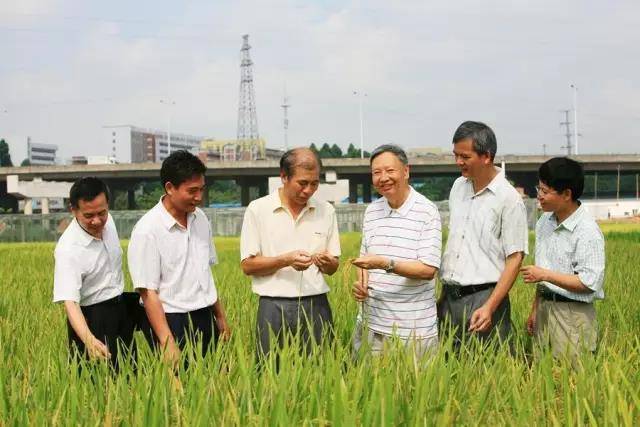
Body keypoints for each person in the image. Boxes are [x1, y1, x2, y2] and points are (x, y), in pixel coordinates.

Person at [128, 150, 230, 366]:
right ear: (169, 188)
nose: (199, 197)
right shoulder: (148, 230)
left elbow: (205, 273)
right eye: (192, 191)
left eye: (201, 189)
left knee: (214, 385)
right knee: (177, 391)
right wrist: (167, 342)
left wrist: (219, 317)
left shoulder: (200, 219)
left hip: (203, 315)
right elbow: (148, 292)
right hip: (170, 319)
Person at [240, 147, 341, 359]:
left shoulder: (326, 211)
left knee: (321, 372)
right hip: (272, 306)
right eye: (302, 183)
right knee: (269, 374)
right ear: (284, 177)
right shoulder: (258, 210)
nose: (309, 190)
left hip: (316, 305)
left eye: (314, 183)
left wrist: (327, 262)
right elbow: (248, 265)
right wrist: (285, 260)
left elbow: (333, 267)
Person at [439, 121, 528, 348]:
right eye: (455, 155)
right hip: (449, 298)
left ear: (486, 156)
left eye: (465, 157)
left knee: (486, 373)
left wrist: (490, 307)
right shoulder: (458, 186)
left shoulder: (508, 199)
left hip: (484, 299)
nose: (458, 162)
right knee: (448, 372)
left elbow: (515, 258)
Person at [351, 144, 442, 358]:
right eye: (376, 172)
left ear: (406, 171)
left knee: (416, 391)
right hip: (370, 326)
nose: (383, 178)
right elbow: (365, 261)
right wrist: (361, 284)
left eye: (390, 170)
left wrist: (386, 264)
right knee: (368, 389)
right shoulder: (372, 211)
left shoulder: (427, 211)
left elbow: (428, 270)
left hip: (413, 332)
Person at [522, 157, 604, 361]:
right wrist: (535, 310)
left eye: (545, 191)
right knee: (542, 375)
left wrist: (544, 275)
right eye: (538, 188)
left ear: (567, 194)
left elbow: (589, 282)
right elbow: (543, 273)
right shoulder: (544, 222)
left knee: (573, 382)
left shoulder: (587, 231)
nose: (539, 196)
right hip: (544, 308)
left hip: (572, 314)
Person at [53, 177, 134, 370]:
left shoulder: (109, 221)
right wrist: (89, 339)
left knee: (130, 373)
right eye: (89, 215)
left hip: (120, 308)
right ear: (73, 210)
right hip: (92, 318)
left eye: (102, 212)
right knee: (97, 383)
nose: (97, 220)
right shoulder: (68, 249)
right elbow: (70, 303)